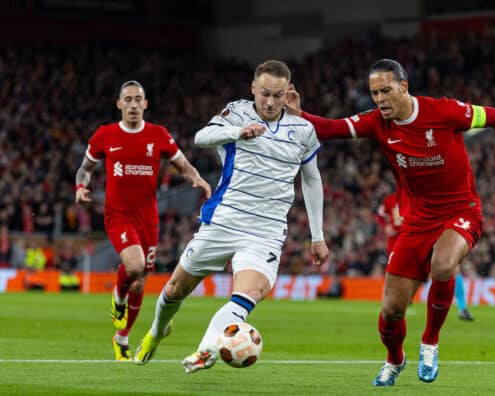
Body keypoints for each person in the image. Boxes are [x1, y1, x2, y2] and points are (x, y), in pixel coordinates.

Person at [286, 58, 495, 385]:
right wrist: (300, 115)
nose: (380, 99)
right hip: (416, 222)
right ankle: (395, 360)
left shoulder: (442, 111)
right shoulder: (376, 123)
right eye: (374, 93)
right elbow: (332, 128)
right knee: (391, 310)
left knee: (443, 265)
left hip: (461, 210)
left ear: (403, 86)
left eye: (385, 90)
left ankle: (430, 341)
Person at [133, 60, 329, 371]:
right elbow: (201, 137)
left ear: (287, 93)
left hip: (265, 232)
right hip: (224, 221)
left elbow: (312, 178)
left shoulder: (302, 130)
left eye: (278, 96)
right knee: (174, 290)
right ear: (253, 88)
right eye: (264, 93)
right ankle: (157, 332)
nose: (270, 102)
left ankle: (206, 349)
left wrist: (317, 236)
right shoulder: (237, 112)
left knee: (249, 294)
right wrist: (239, 132)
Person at [75, 80, 212, 361]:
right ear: (119, 104)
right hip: (118, 215)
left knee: (139, 281)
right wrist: (80, 186)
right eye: (128, 99)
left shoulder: (158, 135)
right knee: (135, 266)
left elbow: (183, 165)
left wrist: (196, 178)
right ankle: (118, 295)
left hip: (148, 219)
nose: (134, 104)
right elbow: (85, 169)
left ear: (146, 104)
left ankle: (121, 339)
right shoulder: (105, 135)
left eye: (138, 99)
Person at [377, 190, 474, 321]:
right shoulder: (390, 200)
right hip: (398, 242)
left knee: (453, 268)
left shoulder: (421, 195)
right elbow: (380, 214)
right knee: (400, 275)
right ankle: (395, 304)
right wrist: (386, 226)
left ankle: (462, 308)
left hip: (423, 237)